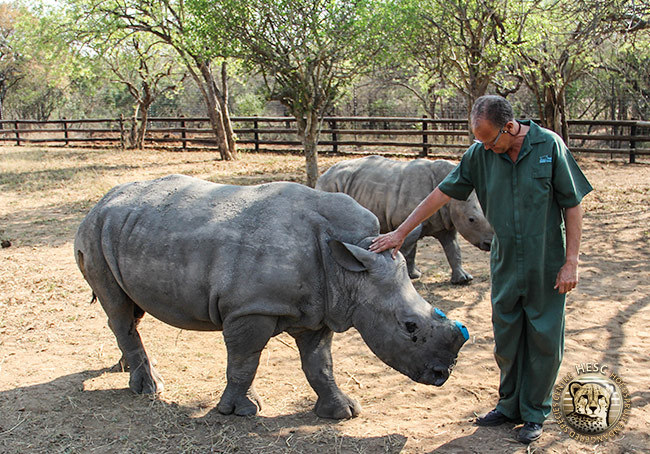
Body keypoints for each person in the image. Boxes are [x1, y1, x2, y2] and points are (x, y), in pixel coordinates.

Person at [369, 95, 592, 444]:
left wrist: (571, 262)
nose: (484, 147)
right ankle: (509, 405)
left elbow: (573, 205)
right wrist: (400, 231)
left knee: (544, 338)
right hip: (505, 260)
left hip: (546, 259)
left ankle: (534, 412)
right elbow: (441, 193)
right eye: (479, 140)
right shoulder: (480, 154)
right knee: (507, 335)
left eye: (489, 139)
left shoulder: (549, 146)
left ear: (509, 127)